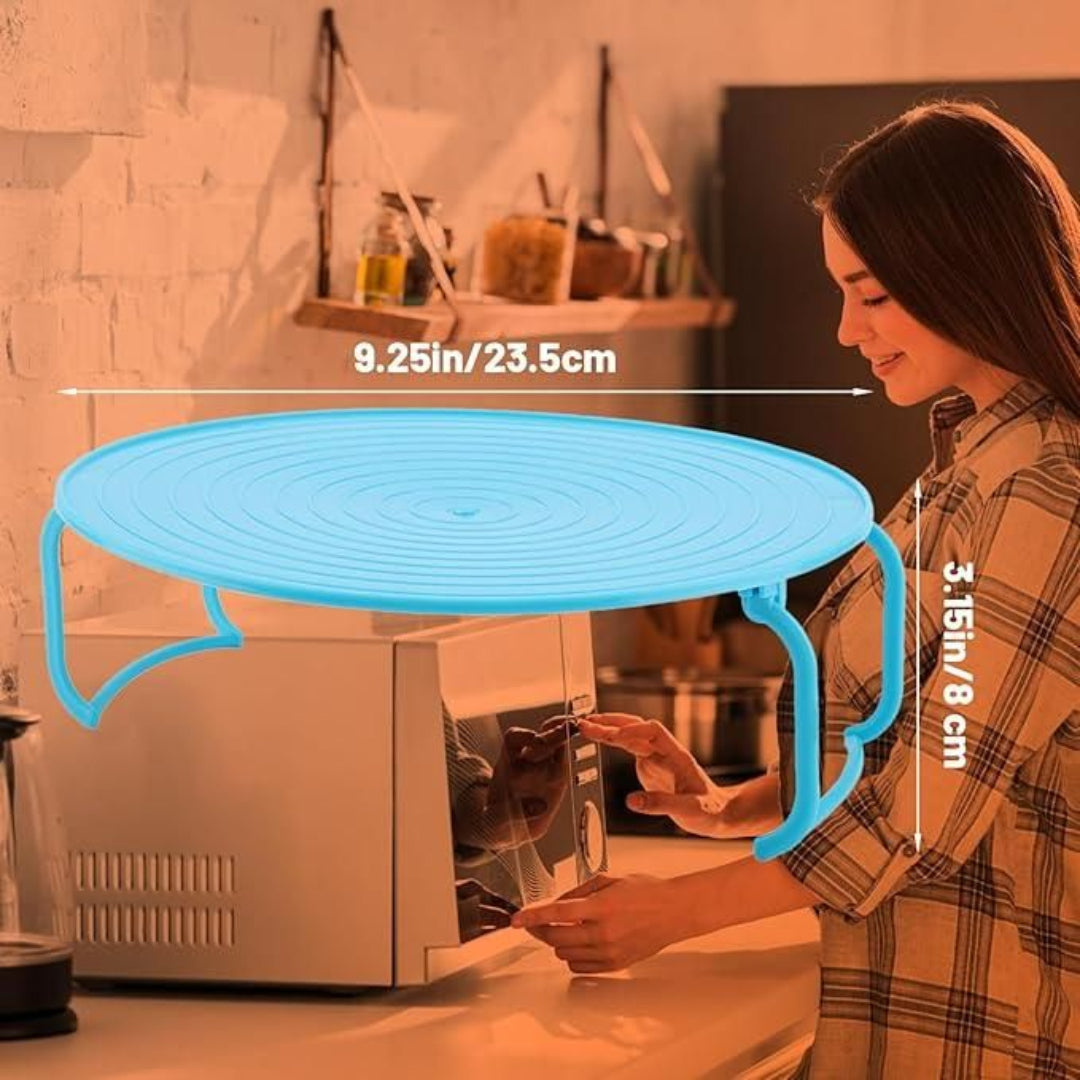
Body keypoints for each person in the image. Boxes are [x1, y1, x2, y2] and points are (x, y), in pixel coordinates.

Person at [512, 101, 1080, 1079]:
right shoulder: (972, 460)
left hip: (988, 1028)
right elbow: (926, 738)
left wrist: (673, 911)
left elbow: (930, 801)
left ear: (967, 270)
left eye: (873, 295)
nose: (847, 330)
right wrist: (730, 806)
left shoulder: (1047, 487)